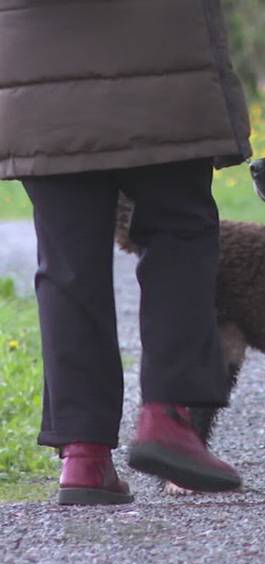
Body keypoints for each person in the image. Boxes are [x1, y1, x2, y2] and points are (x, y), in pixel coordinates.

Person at [0, 1, 252, 504]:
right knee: (179, 234)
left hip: (39, 76)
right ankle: (167, 420)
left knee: (67, 265)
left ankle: (83, 454)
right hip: (162, 61)